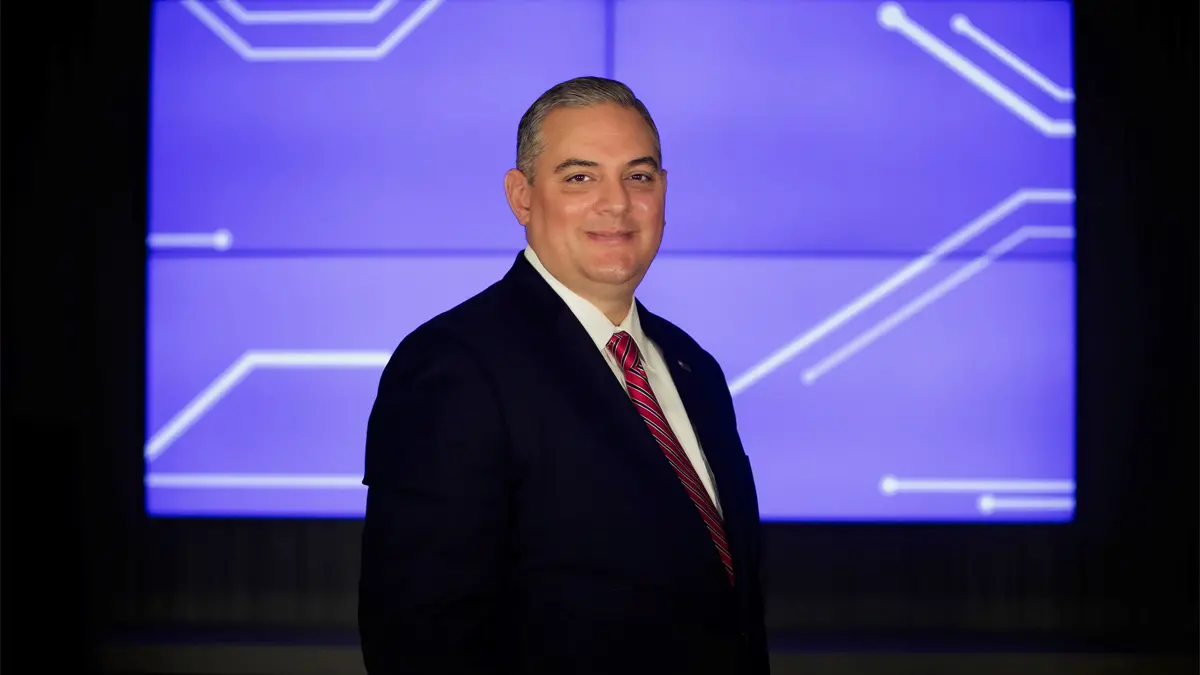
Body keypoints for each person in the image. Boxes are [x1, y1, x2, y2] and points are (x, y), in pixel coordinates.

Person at [358, 76, 769, 675]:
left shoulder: (693, 367)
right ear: (521, 196)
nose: (617, 204)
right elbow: (418, 638)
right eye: (580, 177)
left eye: (639, 176)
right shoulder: (453, 365)